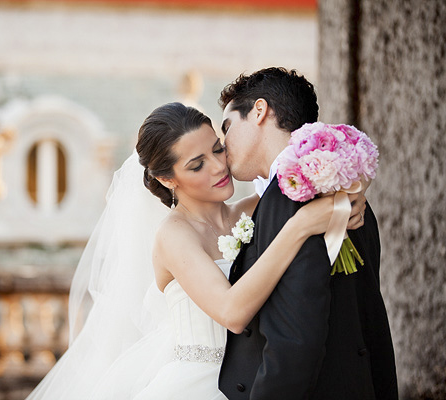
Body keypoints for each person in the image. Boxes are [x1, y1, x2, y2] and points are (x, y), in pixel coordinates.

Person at [26, 101, 367, 399]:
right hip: (198, 385)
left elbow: (319, 199)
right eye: (196, 164)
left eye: (217, 149)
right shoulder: (173, 235)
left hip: (261, 380)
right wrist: (300, 227)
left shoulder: (254, 210)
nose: (219, 166)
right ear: (167, 179)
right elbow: (232, 312)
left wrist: (350, 194)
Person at [217, 67, 398, 399]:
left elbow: (294, 338)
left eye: (227, 127)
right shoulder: (350, 193)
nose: (223, 145)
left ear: (259, 111)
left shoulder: (288, 197)